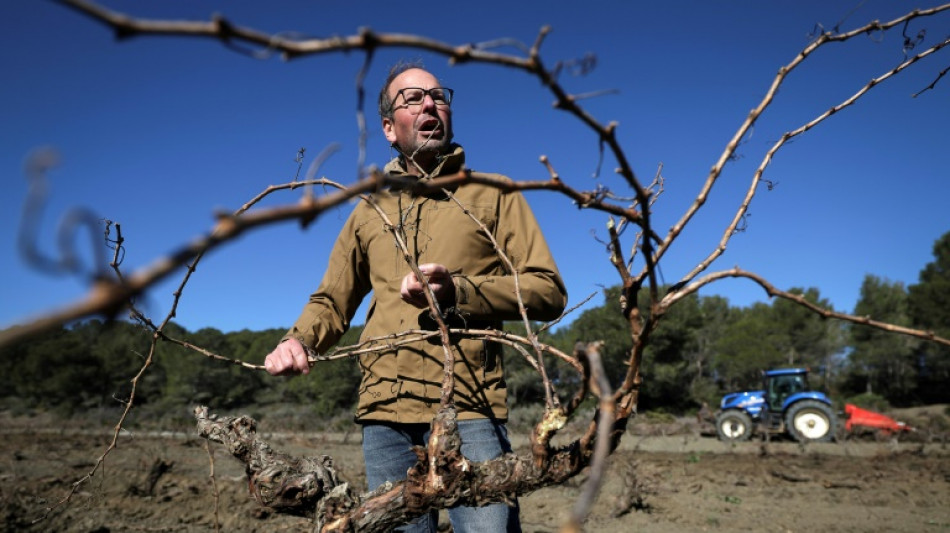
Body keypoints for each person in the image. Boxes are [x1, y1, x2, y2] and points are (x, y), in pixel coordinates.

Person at [264, 62, 566, 532]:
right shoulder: (370, 210)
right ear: (388, 128)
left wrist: (459, 290)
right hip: (386, 411)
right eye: (412, 98)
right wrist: (298, 340)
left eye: (438, 96)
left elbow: (547, 289)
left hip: (471, 407)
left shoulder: (495, 194)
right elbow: (332, 300)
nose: (429, 104)